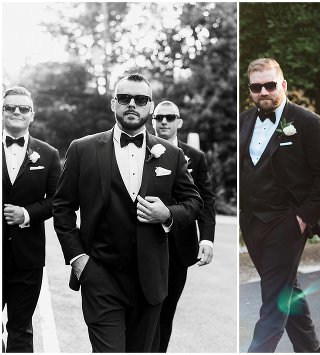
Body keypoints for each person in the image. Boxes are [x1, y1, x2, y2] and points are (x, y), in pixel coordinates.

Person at [52, 74, 202, 352]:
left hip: (151, 281)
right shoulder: (82, 149)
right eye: (124, 98)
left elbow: (194, 203)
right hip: (100, 276)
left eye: (141, 99)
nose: (132, 104)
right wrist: (78, 259)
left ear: (149, 107)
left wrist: (166, 214)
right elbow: (62, 208)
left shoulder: (171, 154)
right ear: (114, 104)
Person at [240, 58, 320, 353]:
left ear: (283, 85)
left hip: (287, 221)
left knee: (272, 300)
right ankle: (311, 350)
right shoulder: (244, 121)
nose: (263, 91)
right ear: (250, 90)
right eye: (256, 87)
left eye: (270, 85)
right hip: (252, 222)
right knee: (286, 290)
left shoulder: (307, 122)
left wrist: (304, 218)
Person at [150, 101, 217, 352]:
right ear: (152, 121)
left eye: (170, 117)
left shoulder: (195, 158)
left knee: (166, 312)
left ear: (179, 122)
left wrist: (207, 239)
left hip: (179, 247)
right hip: (143, 243)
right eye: (159, 117)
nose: (164, 121)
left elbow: (206, 200)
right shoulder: (137, 150)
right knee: (143, 309)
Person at [2, 87, 62, 352]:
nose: (17, 112)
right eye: (10, 107)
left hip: (28, 259)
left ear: (32, 115)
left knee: (20, 328)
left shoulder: (48, 154)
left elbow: (57, 201)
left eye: (23, 108)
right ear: (2, 112)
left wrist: (27, 214)